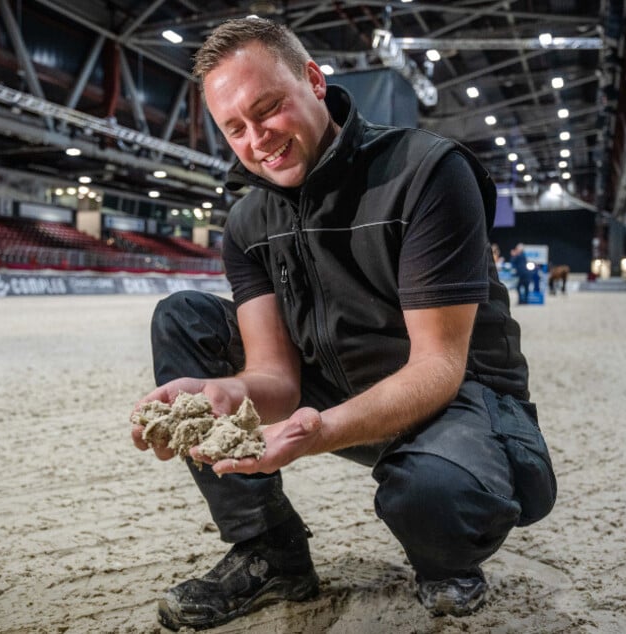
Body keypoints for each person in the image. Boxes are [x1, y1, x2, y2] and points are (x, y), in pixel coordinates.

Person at [131, 18, 556, 631]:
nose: (258, 139)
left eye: (268, 108)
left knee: (434, 495)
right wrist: (230, 392)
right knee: (183, 317)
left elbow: (437, 367)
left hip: (456, 400)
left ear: (313, 79)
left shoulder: (425, 172)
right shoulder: (248, 222)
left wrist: (320, 430)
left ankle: (445, 556)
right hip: (338, 391)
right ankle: (270, 552)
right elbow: (276, 378)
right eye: (235, 129)